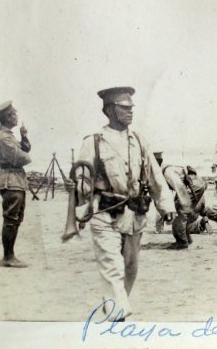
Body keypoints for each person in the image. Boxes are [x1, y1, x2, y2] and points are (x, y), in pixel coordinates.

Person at [71, 86, 176, 321]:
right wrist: (80, 206)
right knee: (112, 266)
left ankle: (114, 311)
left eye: (132, 107)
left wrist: (166, 206)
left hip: (134, 215)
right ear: (109, 109)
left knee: (130, 268)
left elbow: (154, 175)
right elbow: (82, 180)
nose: (130, 111)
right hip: (104, 214)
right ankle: (118, 316)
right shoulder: (94, 142)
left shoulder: (138, 140)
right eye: (124, 107)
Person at [0, 100, 32, 268]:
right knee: (11, 219)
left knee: (16, 218)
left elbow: (25, 150)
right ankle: (8, 256)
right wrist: (25, 155)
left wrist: (23, 136)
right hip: (10, 180)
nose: (17, 116)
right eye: (14, 114)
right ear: (8, 117)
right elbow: (22, 158)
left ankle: (10, 254)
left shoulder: (8, 134)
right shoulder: (3, 137)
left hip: (16, 179)